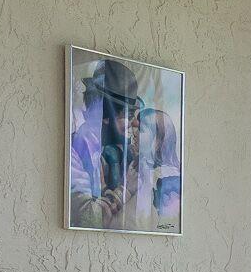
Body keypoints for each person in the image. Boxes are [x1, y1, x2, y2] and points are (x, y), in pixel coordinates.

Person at [69, 58, 181, 231]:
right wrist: (125, 190)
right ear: (106, 117)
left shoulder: (129, 153)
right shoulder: (74, 152)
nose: (132, 125)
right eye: (127, 117)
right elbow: (88, 219)